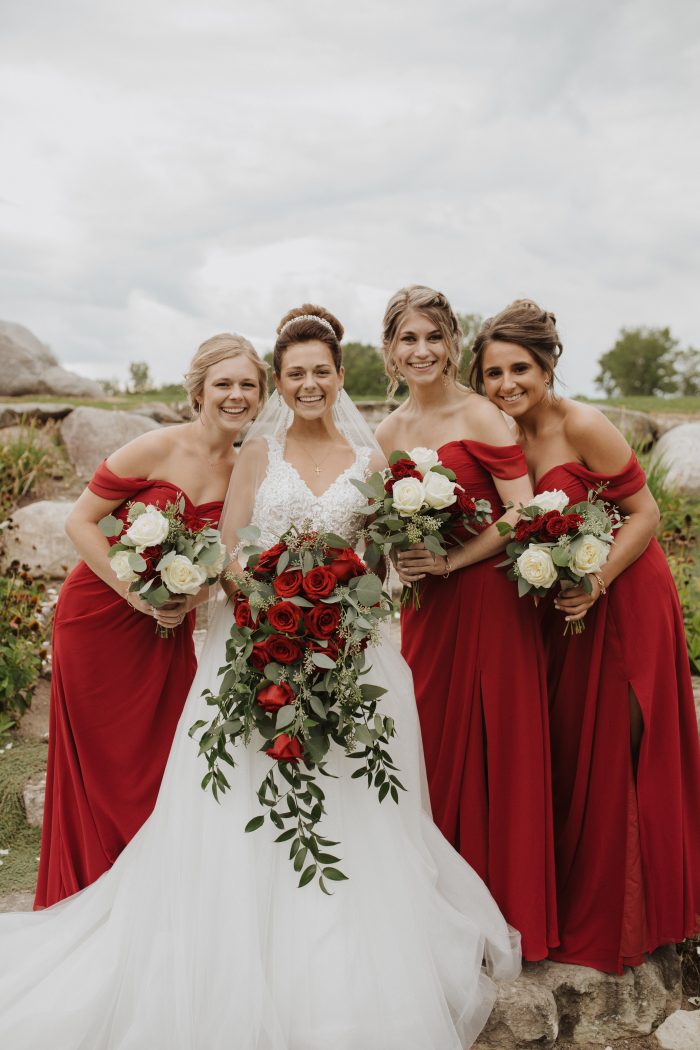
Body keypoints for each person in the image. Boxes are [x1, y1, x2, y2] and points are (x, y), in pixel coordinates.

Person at [0, 306, 520, 1050]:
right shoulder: (257, 456)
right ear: (281, 382)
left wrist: (345, 604)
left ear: (341, 377)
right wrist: (271, 604)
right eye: (295, 372)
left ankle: (345, 954)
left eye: (321, 371)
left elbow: (377, 565)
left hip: (346, 654)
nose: (309, 383)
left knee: (352, 801)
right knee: (241, 795)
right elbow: (232, 556)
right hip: (255, 649)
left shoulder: (372, 462)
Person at [474, 298, 700, 973]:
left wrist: (596, 579)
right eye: (492, 373)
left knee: (624, 741)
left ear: (548, 367)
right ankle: (588, 900)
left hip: (624, 595)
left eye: (520, 369)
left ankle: (647, 914)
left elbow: (647, 512)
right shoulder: (500, 437)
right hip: (564, 602)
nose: (507, 384)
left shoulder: (584, 424)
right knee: (577, 748)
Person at [34, 333, 267, 909]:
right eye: (224, 384)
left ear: (262, 397)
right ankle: (94, 891)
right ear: (198, 390)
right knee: (105, 762)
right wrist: (135, 592)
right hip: (98, 616)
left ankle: (152, 894)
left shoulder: (247, 470)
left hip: (167, 625)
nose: (235, 396)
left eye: (247, 385)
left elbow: (225, 563)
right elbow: (80, 522)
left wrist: (186, 603)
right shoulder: (154, 448)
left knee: (161, 758)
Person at [374, 286, 558, 962]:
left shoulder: (481, 414)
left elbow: (524, 510)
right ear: (390, 351)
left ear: (452, 344)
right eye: (407, 339)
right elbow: (380, 523)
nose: (421, 351)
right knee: (435, 745)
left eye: (433, 338)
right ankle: (442, 911)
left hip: (488, 600)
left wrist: (452, 560)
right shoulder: (387, 432)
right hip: (427, 609)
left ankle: (509, 913)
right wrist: (401, 552)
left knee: (499, 745)